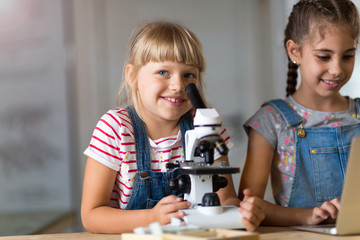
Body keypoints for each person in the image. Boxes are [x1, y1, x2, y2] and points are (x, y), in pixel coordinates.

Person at [81, 21, 265, 234]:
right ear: (133, 76)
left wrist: (242, 213)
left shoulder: (205, 123)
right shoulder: (115, 128)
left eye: (188, 75)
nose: (178, 86)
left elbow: (226, 199)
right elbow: (91, 215)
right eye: (163, 72)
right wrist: (152, 218)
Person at [240, 0, 360, 227]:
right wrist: (308, 216)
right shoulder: (271, 121)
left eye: (347, 56)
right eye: (324, 56)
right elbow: (248, 206)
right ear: (295, 51)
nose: (336, 69)